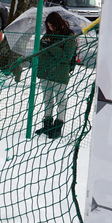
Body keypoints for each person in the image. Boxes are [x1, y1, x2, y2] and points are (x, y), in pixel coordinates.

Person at [35, 11, 78, 139]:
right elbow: (41, 52)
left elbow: (65, 56)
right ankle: (47, 125)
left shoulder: (68, 35)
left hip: (59, 74)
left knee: (61, 101)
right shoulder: (48, 35)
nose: (51, 28)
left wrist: (51, 46)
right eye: (48, 26)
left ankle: (58, 127)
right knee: (47, 100)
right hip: (45, 73)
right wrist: (42, 44)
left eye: (52, 25)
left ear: (58, 23)